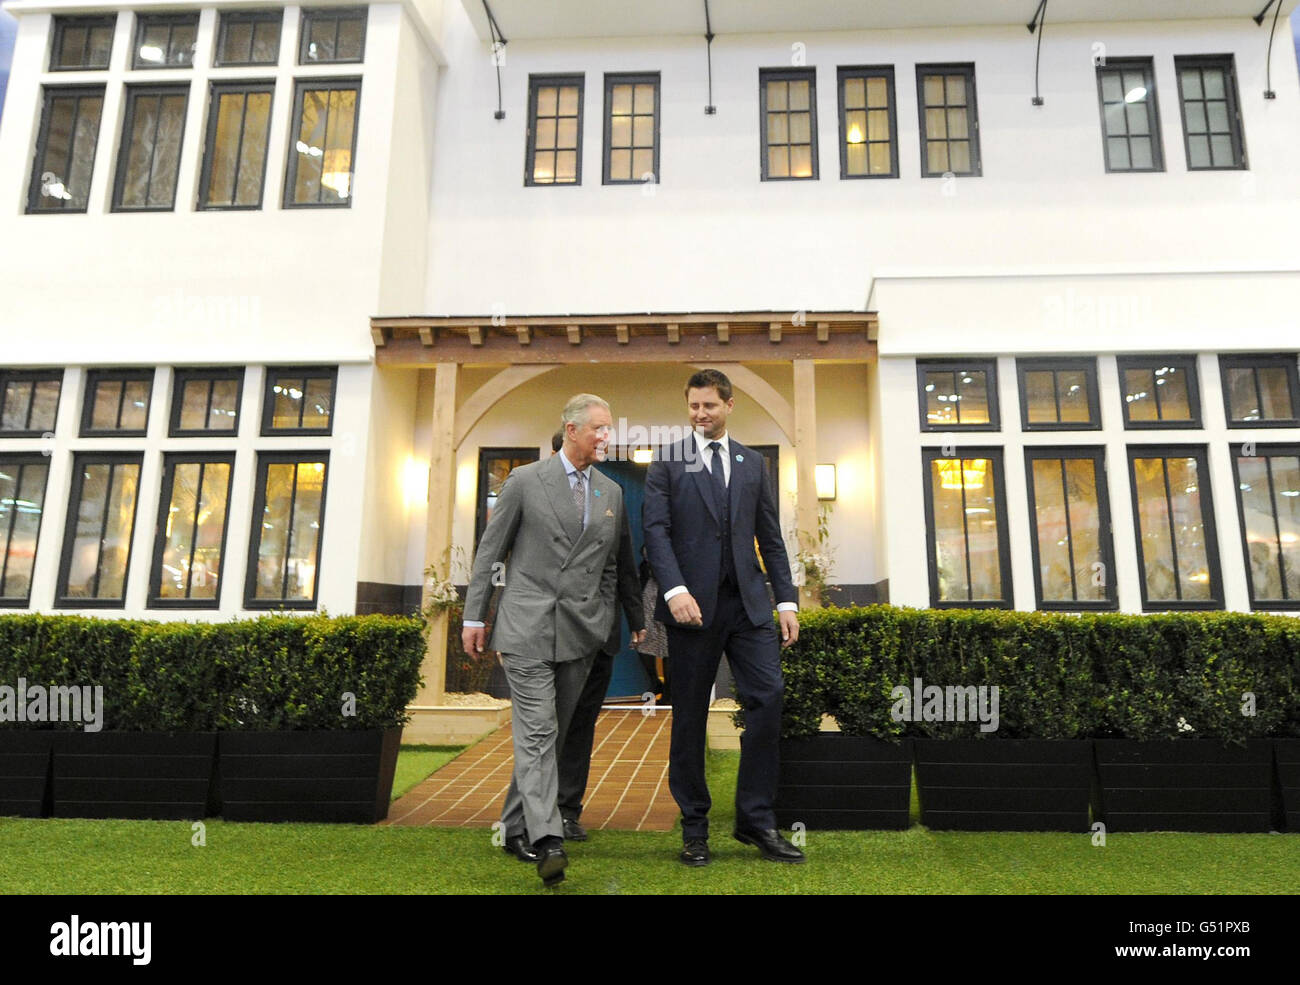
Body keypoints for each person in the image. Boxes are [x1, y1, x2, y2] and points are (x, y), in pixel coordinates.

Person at [462, 393, 630, 887]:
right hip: (526, 629)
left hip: (581, 633)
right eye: (598, 428)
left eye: (609, 428)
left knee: (548, 738)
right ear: (571, 429)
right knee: (537, 734)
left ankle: (515, 827)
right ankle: (547, 839)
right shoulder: (524, 481)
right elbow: (489, 552)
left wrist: (600, 618)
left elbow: (612, 566)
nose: (606, 437)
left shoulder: (612, 493)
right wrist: (475, 617)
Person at [642, 368, 803, 866]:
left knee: (768, 697)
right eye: (693, 406)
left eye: (709, 405)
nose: (699, 414)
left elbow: (770, 538)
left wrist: (786, 600)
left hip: (749, 606)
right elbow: (655, 531)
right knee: (688, 714)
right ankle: (695, 828)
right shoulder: (668, 461)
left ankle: (756, 821)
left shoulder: (752, 463)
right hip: (691, 609)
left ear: (729, 405)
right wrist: (674, 591)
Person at [555, 492, 646, 841]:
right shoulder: (534, 492)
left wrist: (636, 618)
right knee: (543, 725)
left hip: (599, 634)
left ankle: (566, 810)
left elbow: (624, 562)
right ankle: (532, 811)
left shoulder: (609, 496)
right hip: (549, 632)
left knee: (580, 725)